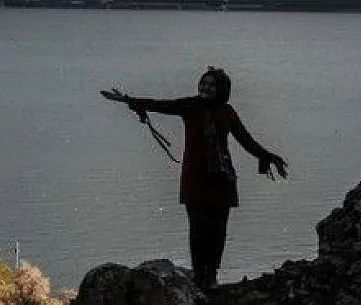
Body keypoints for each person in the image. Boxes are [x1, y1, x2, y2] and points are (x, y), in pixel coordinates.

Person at [101, 67, 287, 290]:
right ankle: (200, 275)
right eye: (203, 83)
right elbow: (159, 104)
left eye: (211, 85)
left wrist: (270, 157)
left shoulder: (227, 112)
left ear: (222, 89)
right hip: (196, 180)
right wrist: (127, 100)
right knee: (198, 230)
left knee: (218, 232)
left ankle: (211, 275)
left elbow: (246, 141)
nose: (205, 87)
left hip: (221, 180)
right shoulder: (190, 106)